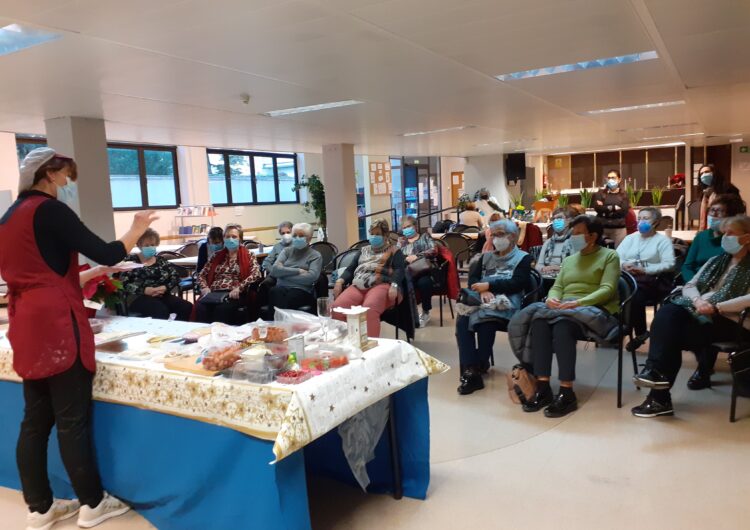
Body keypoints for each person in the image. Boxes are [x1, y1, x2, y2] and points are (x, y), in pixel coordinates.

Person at [0, 148, 157, 529]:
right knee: (73, 419)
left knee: (34, 421)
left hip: (27, 322)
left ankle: (39, 508)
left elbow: (43, 272)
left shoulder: (8, 218)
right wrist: (137, 228)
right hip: (57, 323)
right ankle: (91, 503)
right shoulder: (50, 210)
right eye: (67, 177)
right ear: (51, 174)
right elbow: (104, 250)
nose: (69, 186)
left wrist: (85, 277)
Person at [632, 216, 750, 417]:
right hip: (700, 311)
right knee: (669, 316)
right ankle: (657, 382)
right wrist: (698, 302)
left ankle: (658, 392)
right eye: (724, 233)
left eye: (730, 233)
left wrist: (717, 306)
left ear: (746, 238)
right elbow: (690, 285)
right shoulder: (717, 260)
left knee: (670, 332)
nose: (724, 238)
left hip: (734, 321)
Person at [509, 215, 620, 417]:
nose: (573, 238)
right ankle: (543, 387)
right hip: (565, 307)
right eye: (572, 233)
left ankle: (566, 390)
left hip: (595, 308)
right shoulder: (569, 260)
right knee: (540, 322)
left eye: (578, 234)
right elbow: (557, 287)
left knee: (562, 326)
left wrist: (579, 302)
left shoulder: (609, 256)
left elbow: (608, 289)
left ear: (593, 236)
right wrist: (552, 299)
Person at [456, 220, 531, 395]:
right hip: (482, 300)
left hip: (507, 302)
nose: (495, 238)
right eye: (493, 234)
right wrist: (481, 291)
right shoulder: (485, 257)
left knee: (485, 321)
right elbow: (474, 280)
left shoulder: (523, 258)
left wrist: (489, 286)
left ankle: (477, 366)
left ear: (512, 237)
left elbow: (517, 283)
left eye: (500, 234)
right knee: (462, 321)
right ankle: (473, 369)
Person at [331, 218, 405, 338]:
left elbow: (399, 270)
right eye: (372, 233)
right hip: (359, 284)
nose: (374, 236)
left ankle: (371, 347)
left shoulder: (394, 251)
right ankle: (345, 341)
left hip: (383, 284)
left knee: (369, 310)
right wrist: (340, 281)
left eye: (378, 234)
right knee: (336, 308)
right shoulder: (363, 250)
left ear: (385, 235)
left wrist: (394, 285)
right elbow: (350, 269)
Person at [616, 207, 676, 352]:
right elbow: (616, 257)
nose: (641, 222)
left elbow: (669, 264)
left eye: (646, 219)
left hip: (650, 279)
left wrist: (645, 269)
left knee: (634, 294)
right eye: (640, 218)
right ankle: (617, 329)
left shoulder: (662, 241)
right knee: (614, 290)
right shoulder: (630, 238)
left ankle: (640, 332)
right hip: (627, 276)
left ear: (655, 222)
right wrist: (624, 264)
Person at [119, 229, 193, 321]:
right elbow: (123, 282)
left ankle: (177, 330)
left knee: (186, 307)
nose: (150, 247)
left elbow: (175, 276)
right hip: (138, 297)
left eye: (152, 245)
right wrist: (145, 290)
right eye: (146, 245)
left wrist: (165, 287)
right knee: (161, 311)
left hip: (162, 295)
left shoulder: (161, 260)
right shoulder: (130, 260)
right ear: (139, 245)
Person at [196, 223, 261, 325]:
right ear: (224, 239)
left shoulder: (249, 255)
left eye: (234, 237)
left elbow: (256, 274)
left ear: (240, 239)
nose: (230, 239)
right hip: (213, 292)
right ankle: (204, 336)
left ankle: (220, 337)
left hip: (234, 293)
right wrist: (204, 287)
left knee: (222, 309)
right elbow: (201, 274)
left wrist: (239, 288)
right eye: (227, 237)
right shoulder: (216, 255)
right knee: (201, 307)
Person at [682, 194, 746, 282]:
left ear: (732, 217)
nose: (713, 215)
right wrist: (693, 284)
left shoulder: (733, 241)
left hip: (720, 287)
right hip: (694, 285)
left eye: (719, 212)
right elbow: (687, 266)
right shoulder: (701, 236)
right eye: (712, 210)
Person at [267, 222, 322, 313]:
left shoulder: (315, 255)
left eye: (301, 236)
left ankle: (282, 324)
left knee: (290, 297)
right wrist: (298, 271)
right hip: (281, 287)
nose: (297, 238)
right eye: (295, 235)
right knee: (274, 291)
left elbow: (311, 277)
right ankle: (275, 325)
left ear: (309, 238)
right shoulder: (287, 251)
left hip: (302, 290)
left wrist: (283, 274)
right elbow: (274, 270)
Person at [397, 215, 438, 327]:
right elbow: (396, 256)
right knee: (401, 283)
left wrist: (417, 256)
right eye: (404, 227)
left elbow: (434, 250)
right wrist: (405, 258)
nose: (406, 229)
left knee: (424, 283)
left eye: (408, 226)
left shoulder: (425, 237)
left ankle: (425, 312)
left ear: (415, 226)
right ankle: (409, 313)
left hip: (423, 270)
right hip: (408, 271)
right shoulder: (402, 242)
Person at [535, 207, 575, 280]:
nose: (556, 221)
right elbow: (538, 266)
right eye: (554, 219)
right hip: (547, 279)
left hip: (567, 279)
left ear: (569, 220)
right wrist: (544, 269)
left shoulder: (575, 242)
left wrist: (558, 268)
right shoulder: (548, 243)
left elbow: (576, 267)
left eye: (560, 218)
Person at [592, 169, 630, 247]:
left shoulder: (624, 195)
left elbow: (623, 212)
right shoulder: (600, 193)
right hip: (602, 228)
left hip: (619, 229)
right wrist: (614, 207)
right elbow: (597, 208)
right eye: (609, 178)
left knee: (619, 252)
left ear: (619, 179)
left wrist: (605, 209)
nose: (611, 180)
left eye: (613, 178)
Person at [697, 164, 741, 230]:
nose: (704, 175)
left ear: (715, 173)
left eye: (707, 172)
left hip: (727, 226)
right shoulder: (705, 192)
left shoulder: (727, 187)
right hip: (709, 227)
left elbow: (736, 208)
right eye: (701, 174)